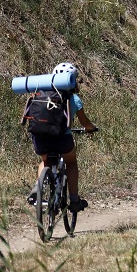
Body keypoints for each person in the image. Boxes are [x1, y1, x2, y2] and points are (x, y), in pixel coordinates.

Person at [27, 62, 98, 213]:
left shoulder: (40, 93)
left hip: (40, 137)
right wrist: (91, 128)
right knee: (71, 162)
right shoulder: (74, 99)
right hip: (62, 140)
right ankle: (74, 201)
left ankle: (38, 188)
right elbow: (85, 122)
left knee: (45, 161)